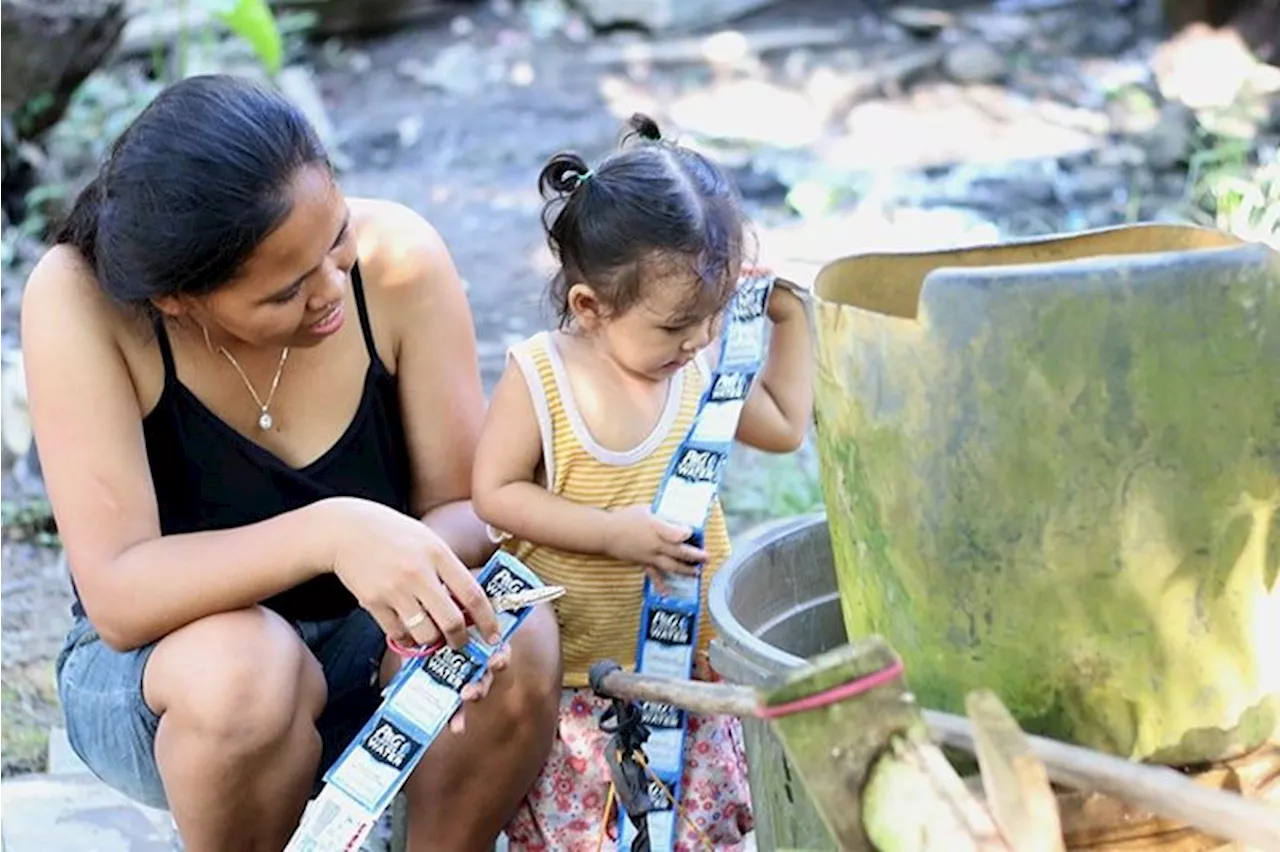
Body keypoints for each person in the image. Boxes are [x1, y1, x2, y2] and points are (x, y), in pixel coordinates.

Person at [20, 74, 562, 852]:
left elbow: (469, 507)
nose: (333, 288)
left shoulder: (397, 261)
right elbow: (119, 593)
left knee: (518, 634)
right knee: (248, 672)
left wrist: (427, 601)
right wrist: (331, 534)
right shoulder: (82, 300)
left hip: (376, 644)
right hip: (171, 687)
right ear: (180, 300)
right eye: (285, 291)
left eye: (336, 237)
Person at [471, 115, 814, 850]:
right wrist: (610, 533)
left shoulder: (694, 367)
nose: (696, 339)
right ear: (590, 307)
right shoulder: (542, 376)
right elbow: (495, 496)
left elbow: (784, 424)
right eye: (674, 326)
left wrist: (788, 316)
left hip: (686, 680)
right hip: (576, 696)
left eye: (712, 315)